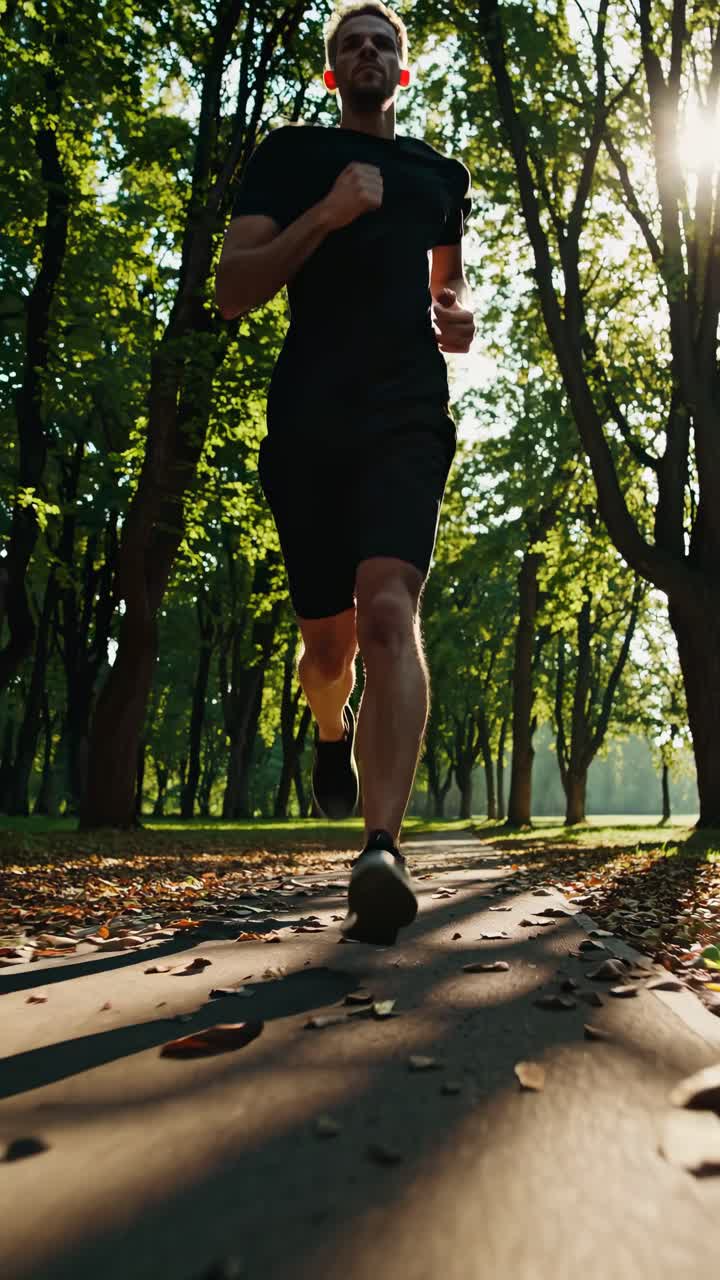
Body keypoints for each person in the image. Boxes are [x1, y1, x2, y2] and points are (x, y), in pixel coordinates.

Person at [215, 0, 475, 945]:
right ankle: (330, 730)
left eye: (384, 43)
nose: (369, 52)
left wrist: (457, 316)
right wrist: (325, 215)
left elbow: (446, 282)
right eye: (350, 44)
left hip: (407, 411)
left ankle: (381, 851)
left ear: (401, 70)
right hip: (309, 421)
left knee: (388, 613)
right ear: (334, 73)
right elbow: (234, 290)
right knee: (328, 650)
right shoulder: (290, 157)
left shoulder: (440, 177)